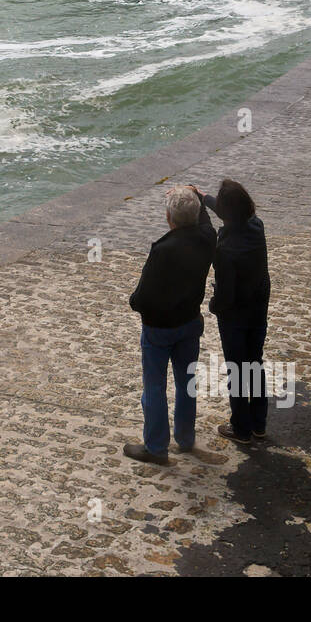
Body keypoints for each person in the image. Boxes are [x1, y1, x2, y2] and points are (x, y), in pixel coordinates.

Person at [124, 185, 216, 466]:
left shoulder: (163, 249)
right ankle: (185, 439)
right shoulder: (207, 238)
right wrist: (197, 195)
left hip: (159, 329)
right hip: (189, 321)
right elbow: (206, 220)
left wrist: (133, 302)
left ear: (169, 218)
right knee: (187, 382)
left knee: (154, 386)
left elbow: (143, 296)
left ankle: (156, 447)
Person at [197, 179, 271, 445]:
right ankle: (259, 424)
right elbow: (230, 212)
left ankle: (240, 429)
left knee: (237, 370)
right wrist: (203, 196)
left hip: (235, 316)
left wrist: (213, 306)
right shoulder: (256, 226)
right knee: (254, 363)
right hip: (258, 309)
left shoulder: (225, 250)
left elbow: (226, 295)